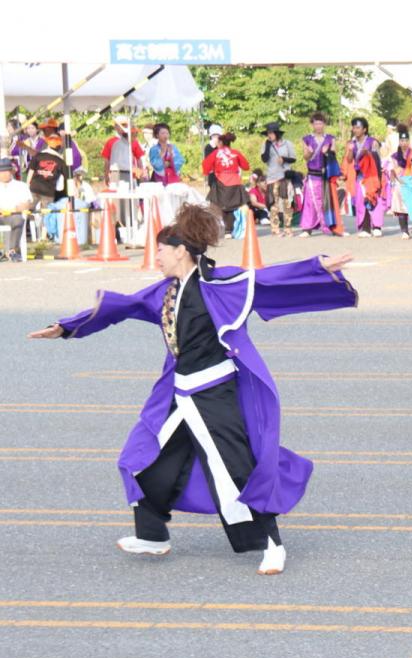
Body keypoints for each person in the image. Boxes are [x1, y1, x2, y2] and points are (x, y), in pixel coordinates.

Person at [27, 203, 357, 575]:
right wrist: (67, 327)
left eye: (162, 250)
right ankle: (152, 536)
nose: (157, 257)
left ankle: (272, 545)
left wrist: (317, 267)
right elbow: (123, 307)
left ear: (181, 251)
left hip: (215, 395)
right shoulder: (166, 292)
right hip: (177, 396)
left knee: (236, 468)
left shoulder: (218, 285)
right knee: (141, 458)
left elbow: (267, 279)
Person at [201, 132, 250, 236]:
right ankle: (231, 229)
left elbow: (205, 165)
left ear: (221, 142)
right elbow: (246, 166)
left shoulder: (216, 153)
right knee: (232, 206)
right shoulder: (235, 153)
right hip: (235, 182)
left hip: (221, 182)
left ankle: (218, 229)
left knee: (217, 205)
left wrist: (207, 172)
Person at [343, 117, 385, 238]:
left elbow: (378, 160)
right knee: (361, 202)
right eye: (354, 127)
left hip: (372, 176)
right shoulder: (352, 143)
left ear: (364, 129)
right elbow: (349, 160)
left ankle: (376, 227)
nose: (355, 130)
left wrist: (369, 153)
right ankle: (365, 228)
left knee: (373, 200)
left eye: (358, 127)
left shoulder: (372, 142)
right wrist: (350, 150)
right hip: (360, 176)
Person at [299, 113, 339, 237]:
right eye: (316, 123)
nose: (318, 126)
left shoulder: (330, 139)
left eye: (320, 123)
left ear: (324, 124)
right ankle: (307, 228)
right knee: (310, 202)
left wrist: (328, 151)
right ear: (312, 124)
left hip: (326, 175)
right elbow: (305, 157)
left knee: (326, 201)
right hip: (312, 175)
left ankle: (330, 225)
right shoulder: (306, 139)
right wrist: (309, 152)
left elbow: (334, 154)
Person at [261, 122, 296, 237]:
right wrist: (267, 145)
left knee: (287, 203)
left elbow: (293, 158)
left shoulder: (287, 144)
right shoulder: (266, 144)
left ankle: (288, 227)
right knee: (273, 204)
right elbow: (264, 159)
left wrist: (284, 159)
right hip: (272, 177)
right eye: (268, 133)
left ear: (277, 133)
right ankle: (275, 229)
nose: (269, 135)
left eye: (271, 133)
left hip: (285, 176)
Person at [0, 158, 32, 261]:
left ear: (12, 171)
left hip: (13, 214)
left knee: (18, 219)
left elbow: (28, 203)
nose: (4, 174)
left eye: (7, 171)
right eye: (1, 172)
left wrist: (18, 208)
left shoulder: (21, 186)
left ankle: (13, 251)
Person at [388, 125, 412, 239]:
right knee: (400, 208)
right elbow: (396, 170)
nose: (404, 143)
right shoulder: (395, 156)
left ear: (409, 141)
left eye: (406, 140)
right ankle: (405, 230)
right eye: (402, 141)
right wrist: (401, 180)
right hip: (401, 182)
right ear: (399, 142)